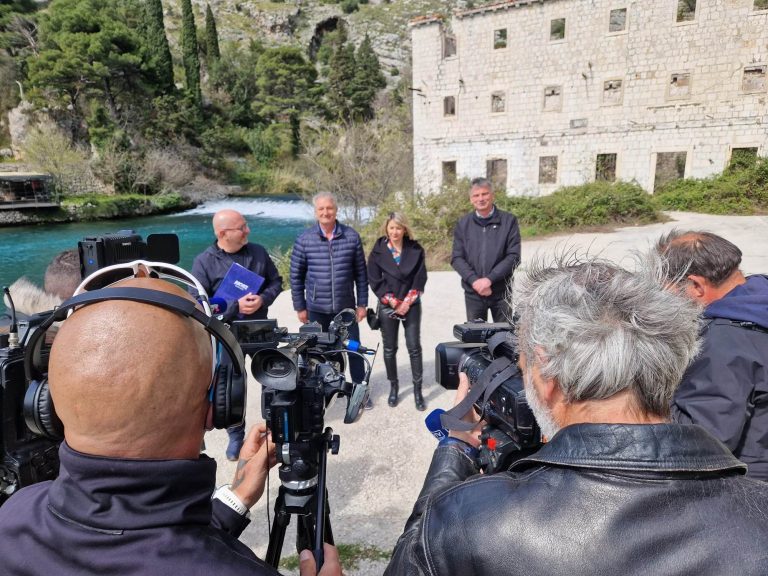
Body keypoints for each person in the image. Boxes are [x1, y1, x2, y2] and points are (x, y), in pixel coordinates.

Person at [385, 253, 768, 576]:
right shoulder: (758, 516)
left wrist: (455, 450)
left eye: (523, 364)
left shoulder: (466, 519)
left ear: (546, 375)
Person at [0, 275, 341, 576]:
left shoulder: (13, 517)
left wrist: (234, 500)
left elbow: (142, 542)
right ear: (218, 408)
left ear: (46, 407)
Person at [656, 230, 768, 481]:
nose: (662, 302)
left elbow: (701, 443)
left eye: (665, 291)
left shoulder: (725, 343)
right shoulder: (760, 297)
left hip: (751, 488)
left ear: (696, 285)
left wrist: (654, 396)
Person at [191, 208, 283, 460]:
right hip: (227, 333)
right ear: (223, 233)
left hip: (260, 328)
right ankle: (236, 437)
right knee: (232, 388)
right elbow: (198, 302)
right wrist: (235, 307)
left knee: (272, 378)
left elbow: (277, 282)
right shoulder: (203, 262)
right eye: (242, 227)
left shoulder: (258, 252)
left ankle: (273, 427)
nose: (248, 230)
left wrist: (263, 298)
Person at [290, 192, 370, 406]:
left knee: (353, 349)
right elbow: (295, 276)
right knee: (322, 351)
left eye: (329, 208)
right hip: (316, 308)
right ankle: (329, 390)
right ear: (316, 212)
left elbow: (361, 274)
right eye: (321, 209)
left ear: (336, 210)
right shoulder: (304, 239)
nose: (325, 212)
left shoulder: (351, 236)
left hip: (345, 309)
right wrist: (300, 306)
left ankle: (359, 390)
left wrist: (362, 304)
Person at [367, 212, 428, 410]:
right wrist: (394, 303)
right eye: (391, 227)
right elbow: (375, 280)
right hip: (388, 304)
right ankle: (394, 387)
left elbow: (420, 278)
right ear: (386, 228)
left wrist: (406, 303)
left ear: (404, 229)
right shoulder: (378, 250)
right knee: (389, 348)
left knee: (414, 347)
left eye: (398, 228)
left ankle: (418, 390)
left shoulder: (415, 249)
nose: (395, 231)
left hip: (410, 304)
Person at [451, 177, 521, 322]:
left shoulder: (508, 221)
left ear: (492, 195)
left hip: (501, 292)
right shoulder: (463, 224)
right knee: (475, 340)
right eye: (476, 195)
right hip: (473, 292)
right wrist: (475, 281)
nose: (481, 198)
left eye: (485, 194)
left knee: (504, 339)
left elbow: (514, 256)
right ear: (471, 199)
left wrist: (489, 280)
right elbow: (457, 257)